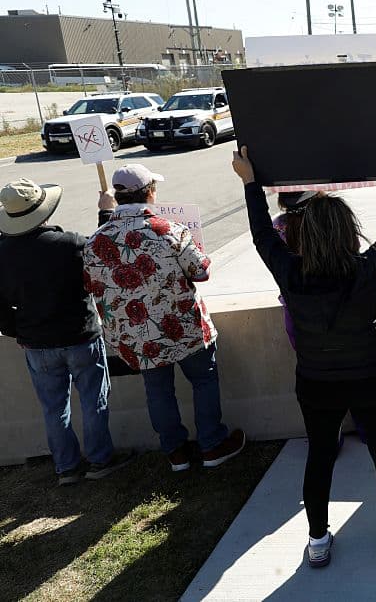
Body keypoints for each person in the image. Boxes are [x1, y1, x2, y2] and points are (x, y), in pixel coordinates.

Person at [233, 143, 376, 569]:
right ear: (346, 231)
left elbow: (263, 234)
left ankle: (317, 540)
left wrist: (250, 183)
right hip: (372, 374)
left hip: (316, 380)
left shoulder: (290, 273)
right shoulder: (367, 269)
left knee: (320, 456)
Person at [84, 164, 244, 472]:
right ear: (150, 193)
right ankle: (212, 444)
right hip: (182, 328)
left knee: (157, 391)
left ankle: (176, 453)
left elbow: (92, 283)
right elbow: (202, 271)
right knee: (203, 380)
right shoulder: (168, 229)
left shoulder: (95, 240)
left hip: (137, 336)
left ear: (117, 197)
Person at [0, 178, 135, 486]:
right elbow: (104, 254)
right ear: (43, 212)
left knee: (53, 409)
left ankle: (67, 468)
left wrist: (18, 331)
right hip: (80, 336)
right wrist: (106, 213)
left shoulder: (2, 255)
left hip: (36, 343)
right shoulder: (69, 243)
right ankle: (100, 460)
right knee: (93, 400)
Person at [274, 192, 367, 449]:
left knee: (321, 382)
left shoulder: (277, 228)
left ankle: (330, 437)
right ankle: (365, 427)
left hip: (298, 317)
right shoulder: (331, 222)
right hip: (342, 311)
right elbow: (355, 252)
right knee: (355, 374)